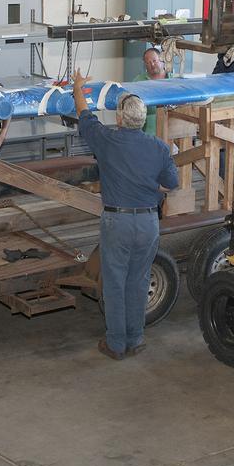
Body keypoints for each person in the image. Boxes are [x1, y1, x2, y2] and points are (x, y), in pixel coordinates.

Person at [73, 67, 180, 360]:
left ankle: (116, 344)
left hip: (117, 222)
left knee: (115, 283)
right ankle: (136, 339)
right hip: (148, 222)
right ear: (142, 120)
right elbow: (172, 184)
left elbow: (84, 115)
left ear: (119, 118)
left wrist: (77, 87)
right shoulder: (159, 147)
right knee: (139, 281)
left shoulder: (106, 140)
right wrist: (152, 189)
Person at [133, 46, 171, 135]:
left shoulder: (174, 80)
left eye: (154, 61)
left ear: (161, 60)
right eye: (148, 63)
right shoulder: (138, 82)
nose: (152, 65)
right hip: (148, 133)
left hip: (172, 130)